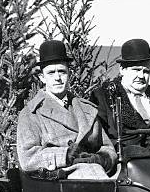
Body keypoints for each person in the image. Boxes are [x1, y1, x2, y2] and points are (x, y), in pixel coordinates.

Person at [17, 40, 118, 180]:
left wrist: (100, 159)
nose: (58, 78)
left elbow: (107, 147)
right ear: (42, 77)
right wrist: (65, 155)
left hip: (95, 170)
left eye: (62, 72)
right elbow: (28, 158)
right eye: (51, 73)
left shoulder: (87, 109)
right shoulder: (31, 113)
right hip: (60, 177)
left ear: (69, 74)